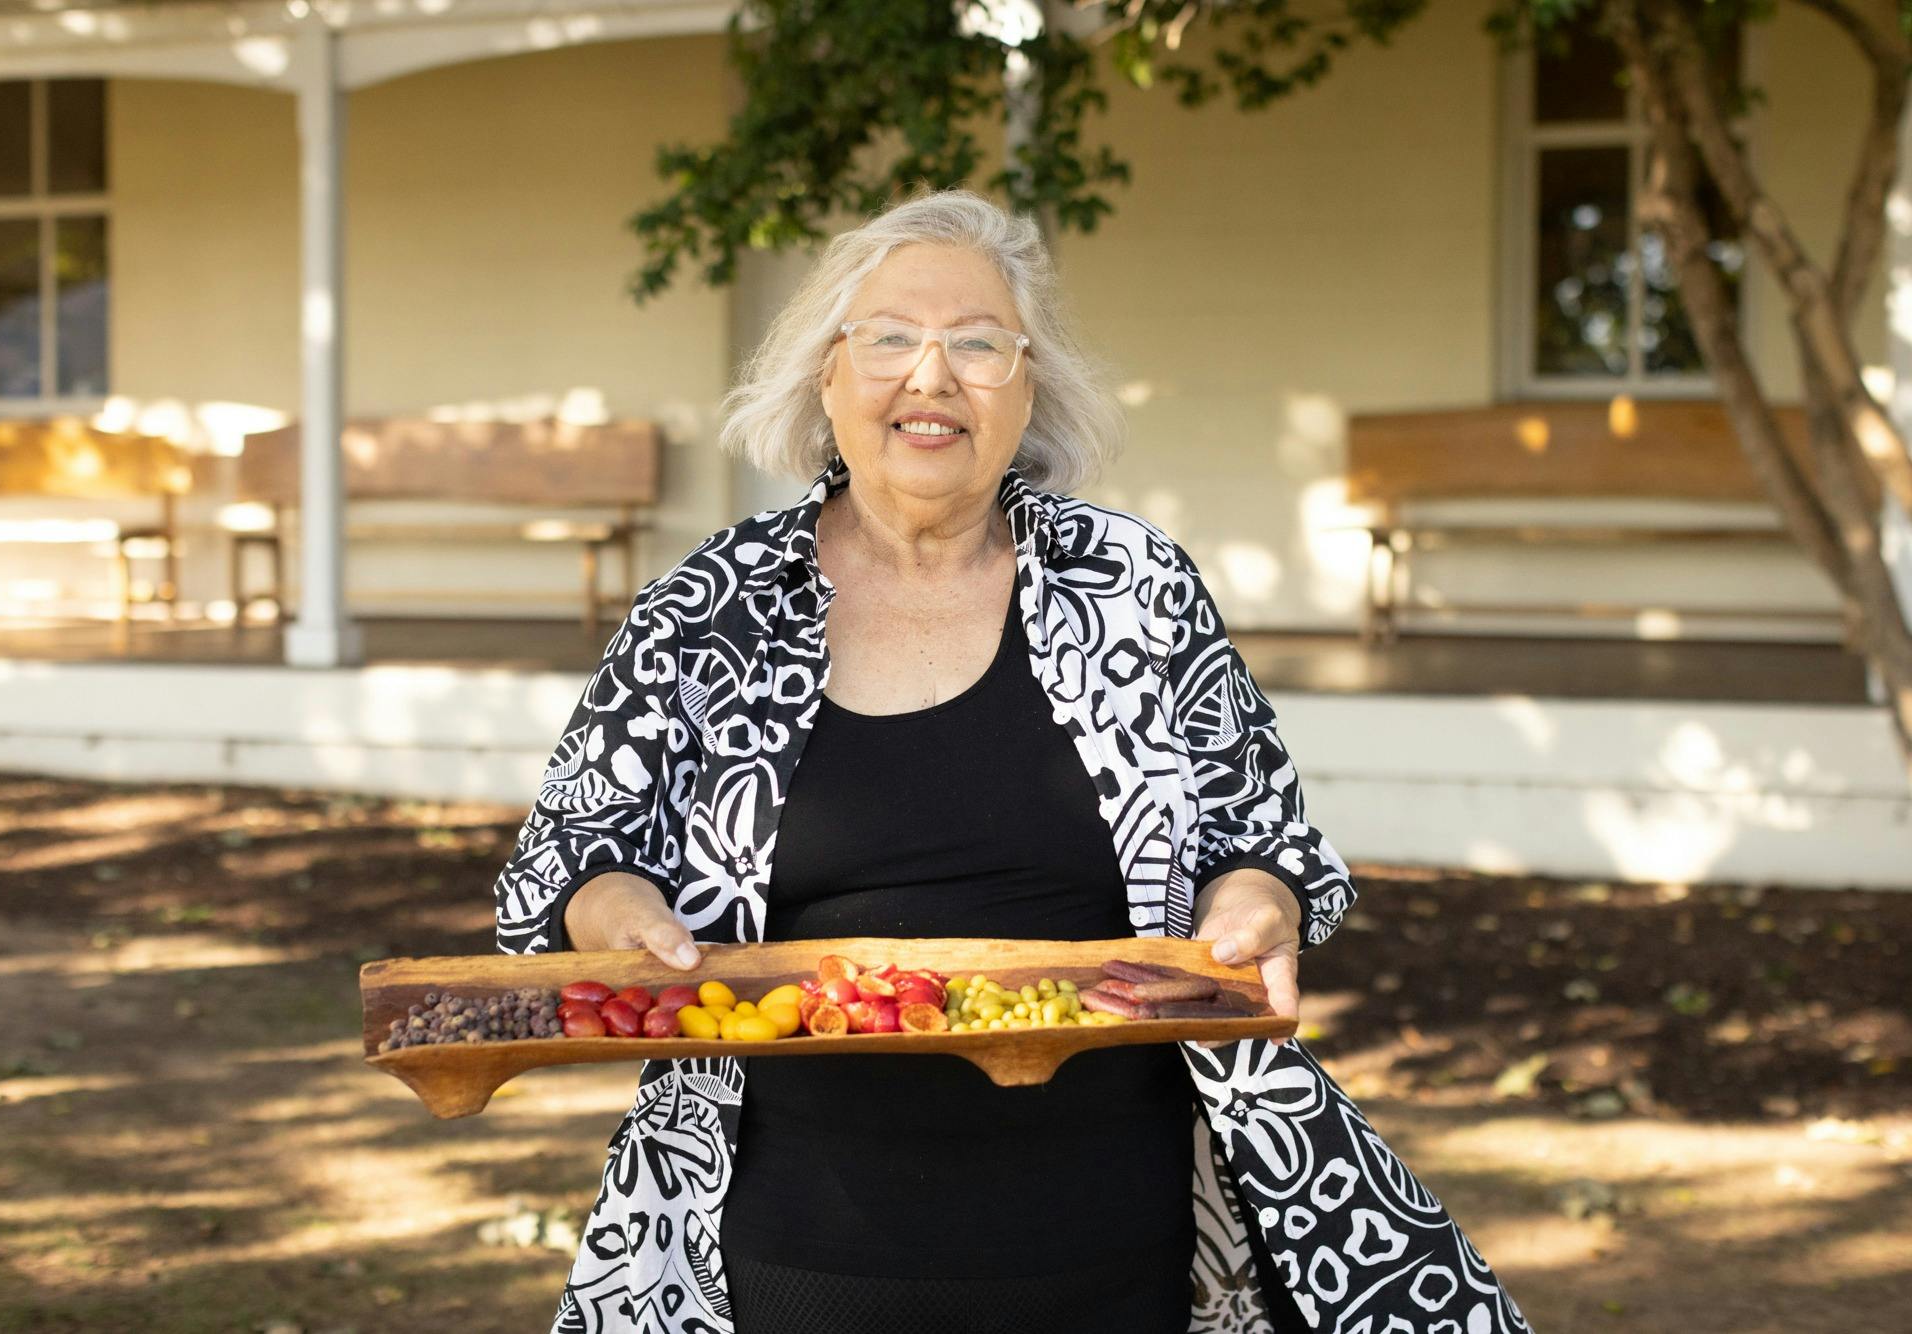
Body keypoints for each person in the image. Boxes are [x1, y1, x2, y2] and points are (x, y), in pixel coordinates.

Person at [493, 188, 1531, 1334]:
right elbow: (567, 858)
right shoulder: (706, 607)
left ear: (1028, 389)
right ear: (825, 375)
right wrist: (618, 911)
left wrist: (1253, 901)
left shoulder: (1132, 584)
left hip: (1110, 1230)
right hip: (794, 1240)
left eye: (979, 343)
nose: (931, 375)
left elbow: (1262, 836)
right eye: (889, 337)